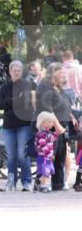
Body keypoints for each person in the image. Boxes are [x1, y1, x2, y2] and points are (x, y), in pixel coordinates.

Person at [35, 63, 77, 191]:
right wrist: (57, 125)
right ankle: (41, 182)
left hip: (61, 126)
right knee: (48, 156)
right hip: (50, 126)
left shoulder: (58, 87)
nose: (63, 75)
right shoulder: (45, 86)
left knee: (60, 155)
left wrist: (71, 116)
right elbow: (47, 108)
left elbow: (65, 104)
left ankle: (57, 184)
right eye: (61, 73)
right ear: (53, 73)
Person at [0, 61, 34, 192]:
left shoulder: (26, 85)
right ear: (10, 72)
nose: (16, 72)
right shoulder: (4, 87)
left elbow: (26, 102)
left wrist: (9, 101)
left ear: (21, 72)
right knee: (11, 155)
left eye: (19, 70)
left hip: (24, 124)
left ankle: (26, 181)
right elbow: (1, 105)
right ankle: (11, 181)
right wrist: (16, 100)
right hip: (9, 125)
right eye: (14, 70)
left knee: (22, 154)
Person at [34, 111, 63, 193]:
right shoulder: (41, 134)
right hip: (43, 156)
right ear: (43, 122)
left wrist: (57, 126)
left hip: (47, 156)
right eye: (50, 122)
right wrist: (49, 154)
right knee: (45, 172)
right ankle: (44, 186)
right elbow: (43, 146)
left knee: (47, 171)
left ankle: (39, 182)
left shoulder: (48, 133)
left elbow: (56, 135)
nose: (52, 124)